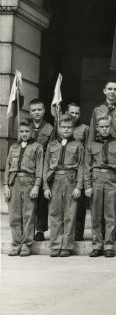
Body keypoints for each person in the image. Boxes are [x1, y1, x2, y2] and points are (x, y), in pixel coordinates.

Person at [88, 79, 116, 242]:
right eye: (110, 89)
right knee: (99, 200)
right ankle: (99, 236)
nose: (112, 92)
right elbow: (92, 132)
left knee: (115, 196)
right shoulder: (97, 110)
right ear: (104, 91)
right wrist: (90, 152)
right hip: (99, 153)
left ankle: (114, 232)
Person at [84, 116, 116, 258]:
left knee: (110, 215)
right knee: (96, 215)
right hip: (96, 180)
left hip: (111, 180)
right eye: (101, 127)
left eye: (107, 126)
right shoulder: (91, 145)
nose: (104, 129)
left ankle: (109, 245)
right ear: (97, 128)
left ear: (111, 127)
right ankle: (96, 245)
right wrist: (87, 185)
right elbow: (87, 166)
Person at [43, 115, 85, 257]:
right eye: (63, 127)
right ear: (59, 128)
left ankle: (66, 246)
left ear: (73, 129)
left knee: (70, 214)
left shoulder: (78, 145)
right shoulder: (52, 145)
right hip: (54, 181)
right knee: (55, 214)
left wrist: (79, 186)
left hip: (70, 181)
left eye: (69, 127)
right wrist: (45, 187)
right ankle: (55, 245)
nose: (66, 129)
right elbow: (45, 167)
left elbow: (81, 167)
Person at [3, 119, 44, 256]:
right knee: (14, 215)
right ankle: (16, 243)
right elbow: (8, 168)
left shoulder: (37, 147)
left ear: (32, 131)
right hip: (14, 183)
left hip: (29, 182)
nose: (24, 134)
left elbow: (39, 169)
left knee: (28, 215)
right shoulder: (13, 147)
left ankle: (26, 244)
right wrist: (5, 185)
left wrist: (36, 186)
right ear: (18, 132)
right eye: (22, 131)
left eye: (27, 131)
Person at [29, 98, 53, 242]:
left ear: (44, 111)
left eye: (39, 109)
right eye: (34, 110)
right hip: (29, 168)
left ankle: (40, 230)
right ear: (30, 112)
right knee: (29, 201)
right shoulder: (27, 127)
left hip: (43, 167)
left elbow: (50, 150)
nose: (37, 112)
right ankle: (28, 228)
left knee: (42, 202)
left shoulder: (50, 128)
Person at [66, 103, 90, 241]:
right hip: (65, 171)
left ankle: (78, 233)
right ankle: (66, 232)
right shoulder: (62, 126)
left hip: (80, 170)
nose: (74, 115)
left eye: (77, 113)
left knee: (79, 205)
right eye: (71, 113)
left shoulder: (85, 129)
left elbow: (88, 150)